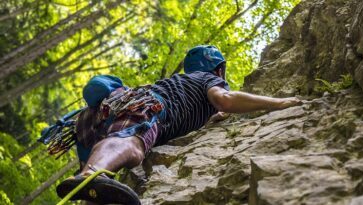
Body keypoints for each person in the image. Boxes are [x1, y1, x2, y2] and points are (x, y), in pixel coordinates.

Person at [56, 45, 301, 204]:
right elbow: (224, 100)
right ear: (218, 70)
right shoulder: (207, 80)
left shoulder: (184, 87)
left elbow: (208, 116)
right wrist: (278, 103)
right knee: (132, 144)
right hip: (146, 105)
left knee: (95, 186)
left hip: (93, 119)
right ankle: (90, 174)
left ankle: (88, 179)